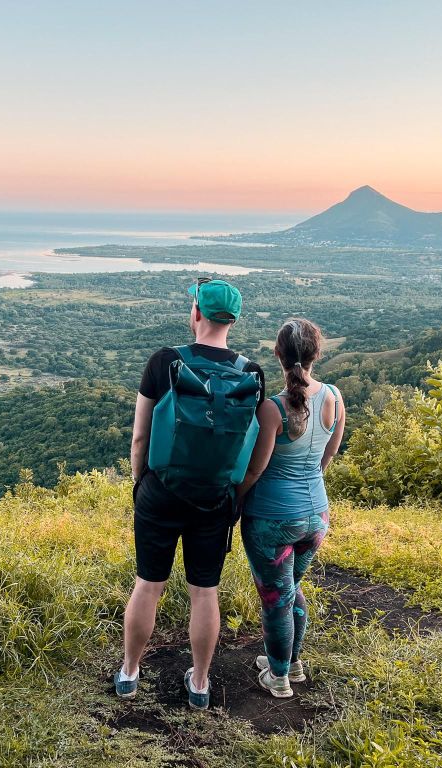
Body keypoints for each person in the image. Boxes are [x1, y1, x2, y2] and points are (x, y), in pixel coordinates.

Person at [114, 278, 264, 710]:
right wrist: (234, 494)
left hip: (161, 492)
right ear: (233, 320)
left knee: (148, 585)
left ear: (196, 312)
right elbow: (248, 445)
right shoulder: (251, 373)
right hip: (216, 497)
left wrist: (141, 485)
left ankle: (129, 673)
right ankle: (199, 683)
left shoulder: (164, 362)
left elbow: (140, 439)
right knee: (204, 591)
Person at [235, 318, 344, 698]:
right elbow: (328, 456)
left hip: (272, 518)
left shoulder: (272, 409)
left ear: (277, 353)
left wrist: (234, 500)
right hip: (317, 515)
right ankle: (291, 663)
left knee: (275, 599)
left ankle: (278, 677)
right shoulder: (334, 397)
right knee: (290, 588)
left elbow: (255, 469)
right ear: (317, 354)